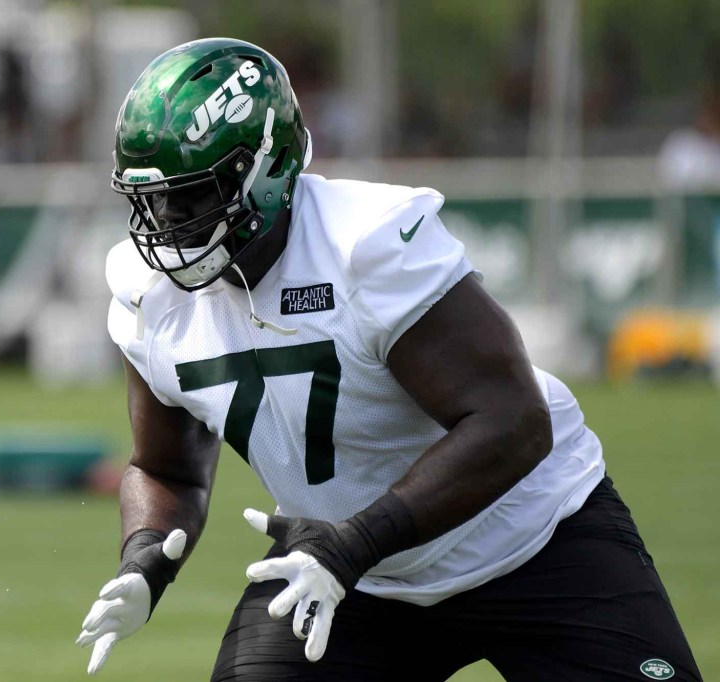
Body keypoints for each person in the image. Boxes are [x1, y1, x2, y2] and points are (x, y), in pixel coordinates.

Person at [77, 38, 702, 681]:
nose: (162, 225)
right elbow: (165, 468)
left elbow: (512, 420)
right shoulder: (144, 292)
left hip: (530, 540)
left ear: (262, 172)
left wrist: (353, 544)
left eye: (189, 197)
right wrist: (145, 559)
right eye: (149, 201)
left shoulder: (365, 244)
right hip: (344, 574)